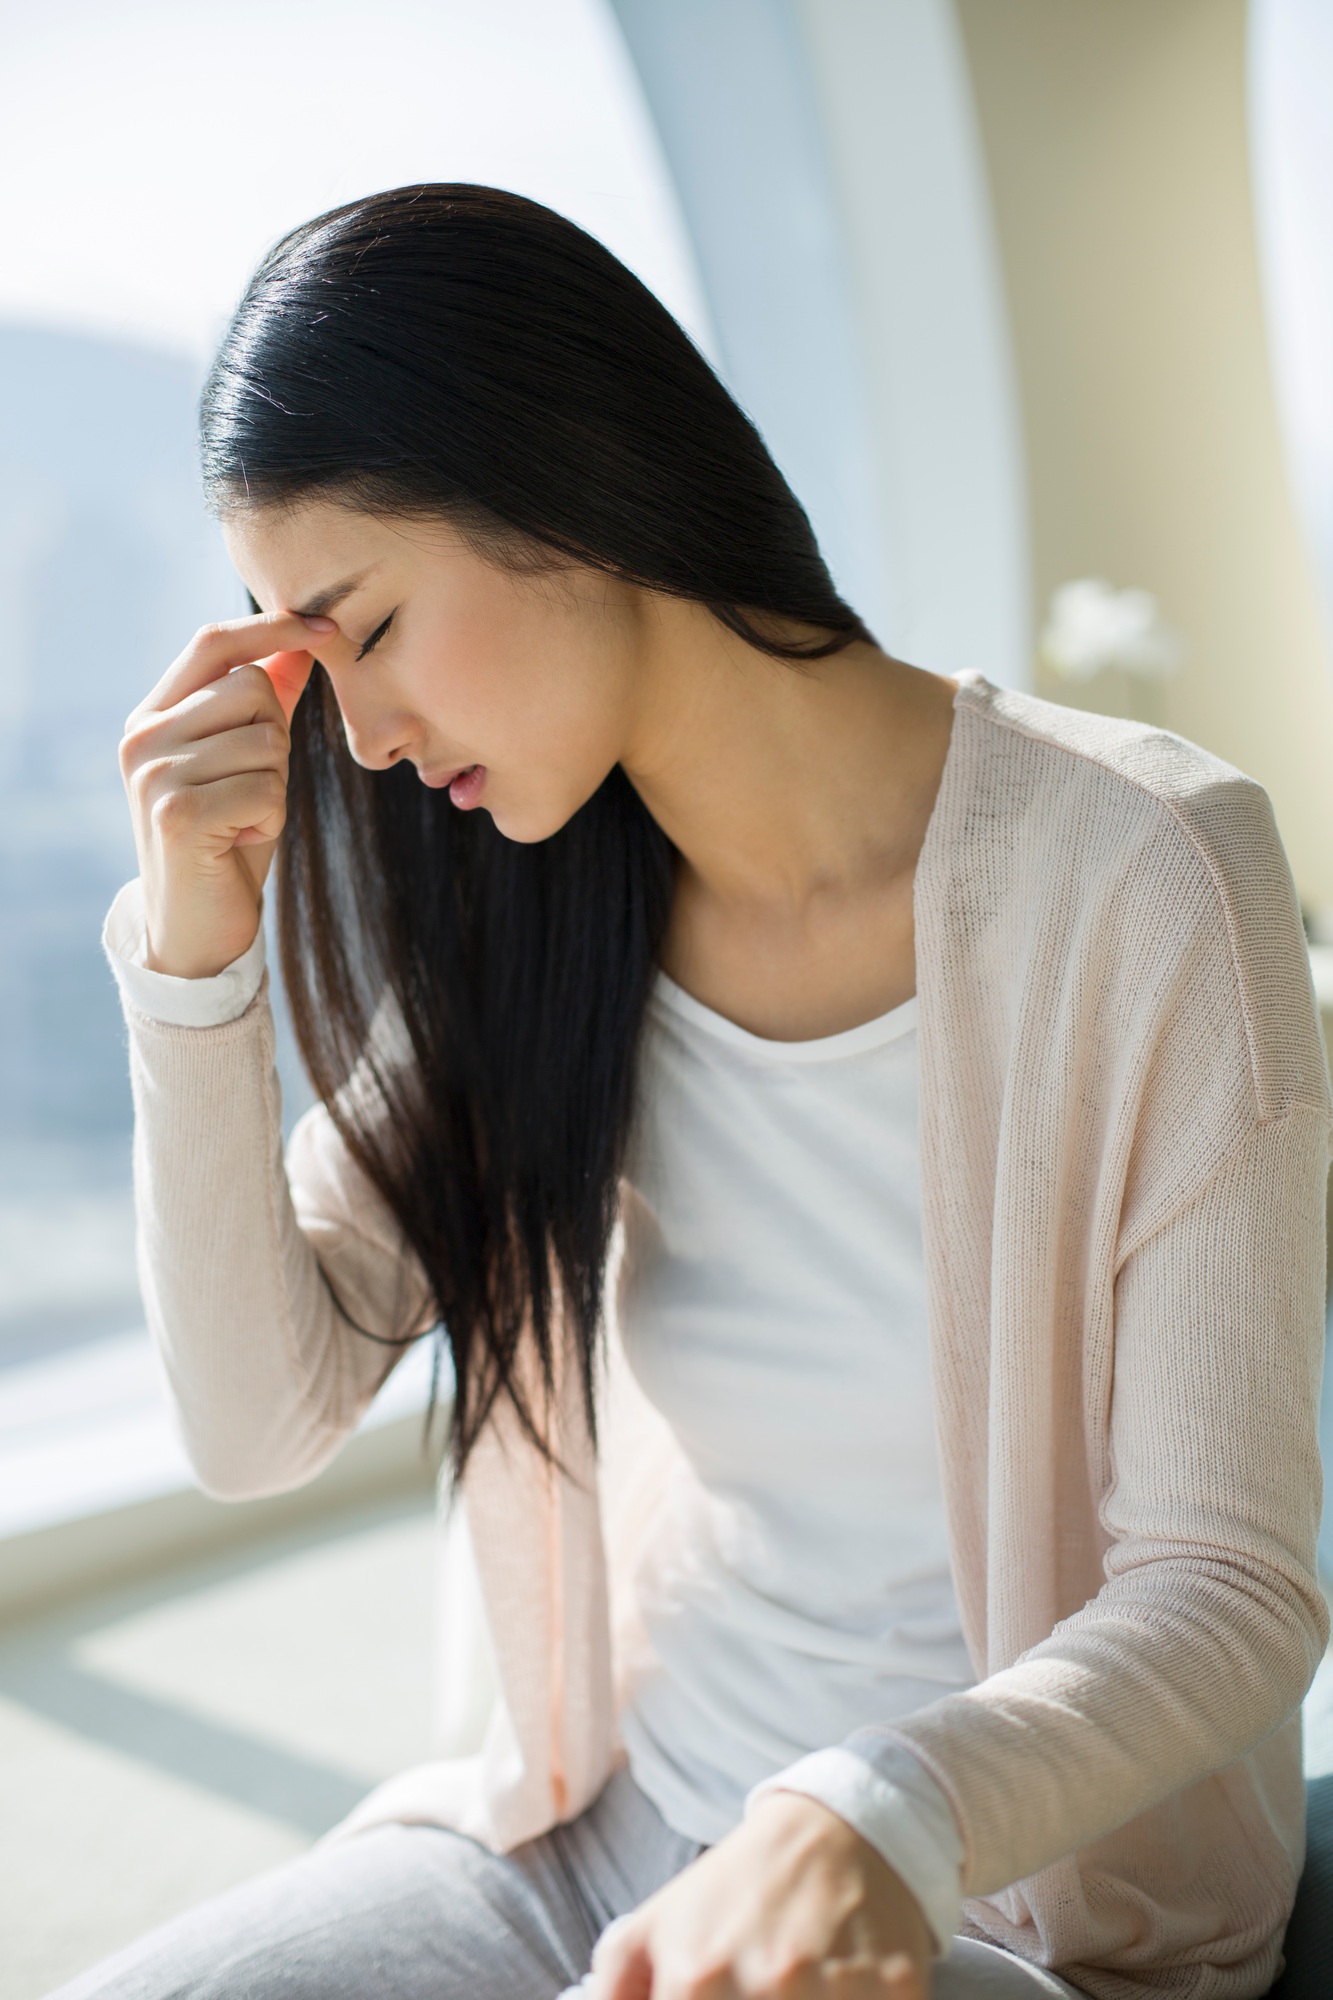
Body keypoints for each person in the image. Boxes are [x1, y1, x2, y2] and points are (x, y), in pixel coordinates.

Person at [62, 184, 1329, 2000]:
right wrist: (197, 967)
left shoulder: (1146, 874)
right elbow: (254, 1424)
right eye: (303, 660)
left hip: (976, 1902)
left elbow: (1230, 1589)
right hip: (605, 1833)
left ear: (561, 490)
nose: (355, 736)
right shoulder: (545, 915)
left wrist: (871, 1816)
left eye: (371, 627)